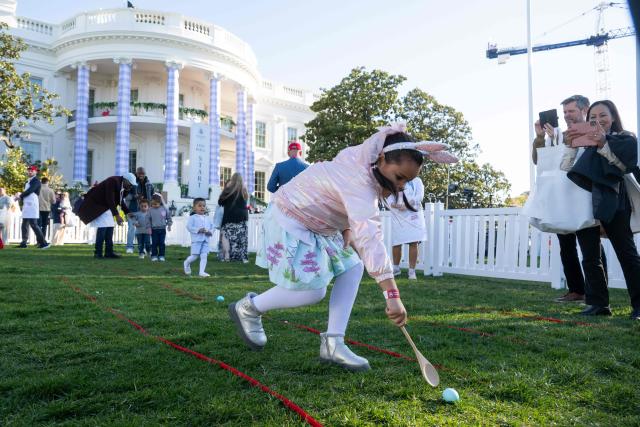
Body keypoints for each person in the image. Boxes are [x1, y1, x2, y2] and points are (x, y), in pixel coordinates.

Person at [228, 124, 456, 371]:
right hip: (291, 217)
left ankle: (333, 344)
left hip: (320, 225)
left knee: (352, 268)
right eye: (399, 177)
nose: (401, 186)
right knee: (313, 291)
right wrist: (392, 295)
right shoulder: (360, 181)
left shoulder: (363, 162)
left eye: (407, 181)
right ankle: (249, 308)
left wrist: (345, 226)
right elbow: (369, 238)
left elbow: (334, 191)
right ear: (381, 158)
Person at [567, 100, 640, 320]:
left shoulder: (626, 138)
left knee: (626, 253)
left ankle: (639, 305)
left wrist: (603, 144)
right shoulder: (582, 143)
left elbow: (623, 166)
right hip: (583, 203)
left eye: (603, 116)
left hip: (613, 199)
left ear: (613, 117)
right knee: (589, 255)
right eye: (592, 118)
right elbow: (566, 169)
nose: (597, 121)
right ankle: (598, 304)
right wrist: (570, 148)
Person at [532, 95, 607, 303]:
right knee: (566, 246)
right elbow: (539, 161)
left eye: (571, 111)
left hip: (584, 196)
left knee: (591, 247)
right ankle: (576, 290)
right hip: (561, 197)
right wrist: (540, 137)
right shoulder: (555, 135)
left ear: (584, 110)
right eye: (564, 112)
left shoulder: (593, 131)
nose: (566, 116)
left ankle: (598, 292)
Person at [77, 173, 136, 258]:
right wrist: (116, 215)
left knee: (110, 226)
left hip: (105, 207)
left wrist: (127, 212)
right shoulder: (113, 181)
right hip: (97, 205)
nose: (131, 186)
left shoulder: (122, 186)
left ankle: (109, 252)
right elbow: (110, 198)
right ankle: (98, 252)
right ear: (125, 180)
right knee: (103, 227)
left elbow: (120, 200)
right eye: (130, 184)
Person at [387, 176, 427, 280]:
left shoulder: (417, 180)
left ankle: (412, 271)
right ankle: (396, 268)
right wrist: (394, 205)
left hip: (413, 214)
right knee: (396, 242)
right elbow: (389, 198)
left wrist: (407, 205)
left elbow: (420, 196)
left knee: (414, 242)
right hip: (398, 216)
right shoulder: (394, 179)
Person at [218, 173, 249, 263]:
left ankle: (227, 255)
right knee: (241, 237)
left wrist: (225, 188)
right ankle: (242, 257)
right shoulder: (244, 190)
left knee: (226, 235)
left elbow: (220, 202)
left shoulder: (228, 190)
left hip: (229, 216)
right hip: (242, 216)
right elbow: (246, 203)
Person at [17, 165, 49, 249]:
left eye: (32, 170)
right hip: (27, 204)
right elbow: (27, 191)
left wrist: (20, 196)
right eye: (29, 170)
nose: (30, 172)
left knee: (34, 224)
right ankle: (24, 242)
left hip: (32, 205)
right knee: (24, 224)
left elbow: (30, 191)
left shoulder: (36, 181)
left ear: (35, 172)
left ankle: (43, 243)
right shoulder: (27, 181)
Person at [124, 167, 155, 254]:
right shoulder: (131, 183)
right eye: (139, 173)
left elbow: (152, 197)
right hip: (132, 209)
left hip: (145, 210)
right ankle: (130, 247)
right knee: (132, 228)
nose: (141, 175)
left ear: (145, 173)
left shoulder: (149, 184)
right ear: (136, 173)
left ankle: (144, 247)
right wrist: (135, 197)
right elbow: (126, 197)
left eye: (143, 173)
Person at [184, 198, 214, 277]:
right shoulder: (193, 217)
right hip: (196, 241)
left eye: (204, 206)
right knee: (195, 256)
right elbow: (189, 227)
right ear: (194, 208)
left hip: (206, 240)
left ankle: (201, 272)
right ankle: (186, 262)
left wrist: (210, 232)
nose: (202, 207)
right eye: (199, 206)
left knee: (204, 255)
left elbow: (212, 227)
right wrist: (198, 230)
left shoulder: (207, 218)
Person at [146, 194, 172, 262]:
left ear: (160, 202)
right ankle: (154, 255)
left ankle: (161, 255)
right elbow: (147, 219)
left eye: (156, 204)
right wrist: (148, 228)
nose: (154, 205)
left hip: (162, 229)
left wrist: (169, 225)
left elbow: (169, 217)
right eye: (153, 204)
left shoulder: (164, 209)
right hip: (154, 230)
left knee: (161, 243)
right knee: (154, 243)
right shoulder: (150, 210)